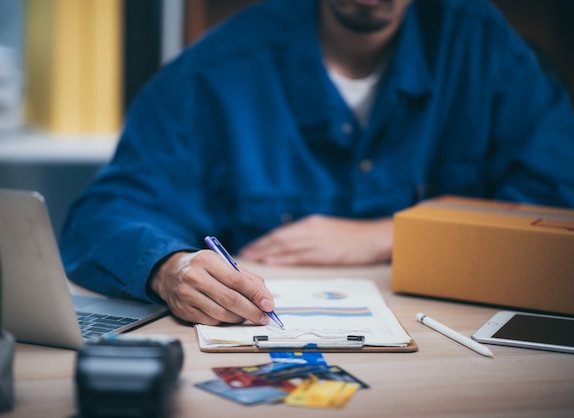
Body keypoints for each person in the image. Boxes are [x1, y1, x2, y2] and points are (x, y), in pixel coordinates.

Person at [59, 0, 574, 327]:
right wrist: (168, 269)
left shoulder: (480, 45)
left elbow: (555, 200)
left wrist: (390, 233)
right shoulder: (218, 69)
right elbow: (105, 214)